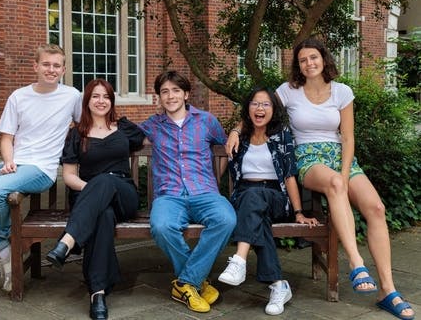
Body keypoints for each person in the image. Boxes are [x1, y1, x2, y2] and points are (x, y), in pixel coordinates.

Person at [227, 38, 414, 320]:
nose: (309, 63)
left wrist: (345, 169)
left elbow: (348, 137)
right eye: (302, 60)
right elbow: (259, 108)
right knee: (336, 185)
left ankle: (387, 290)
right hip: (308, 157)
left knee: (377, 209)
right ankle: (356, 262)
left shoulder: (342, 92)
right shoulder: (288, 91)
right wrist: (235, 129)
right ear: (298, 66)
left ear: (324, 59)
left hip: (340, 156)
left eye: (313, 57)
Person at [0, 44, 81, 292]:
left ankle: (7, 243)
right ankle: (4, 248)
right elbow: (6, 137)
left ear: (64, 69)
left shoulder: (72, 96)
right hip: (14, 163)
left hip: (41, 170)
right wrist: (9, 160)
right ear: (35, 66)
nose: (51, 69)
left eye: (56, 65)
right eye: (46, 64)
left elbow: (82, 125)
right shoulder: (19, 96)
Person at [45, 79, 145, 320]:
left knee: (105, 181)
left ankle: (68, 242)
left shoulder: (123, 128)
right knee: (103, 215)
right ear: (87, 101)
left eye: (106, 97)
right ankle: (97, 294)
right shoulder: (76, 134)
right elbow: (69, 176)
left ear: (111, 101)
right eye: (95, 96)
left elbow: (147, 138)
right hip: (91, 199)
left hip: (124, 195)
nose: (101, 101)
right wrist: (95, 191)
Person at [138, 70, 237, 313]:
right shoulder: (152, 125)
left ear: (186, 94)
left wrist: (216, 178)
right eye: (164, 92)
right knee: (161, 226)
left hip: (204, 192)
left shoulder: (206, 121)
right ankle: (196, 282)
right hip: (169, 195)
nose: (170, 96)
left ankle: (184, 283)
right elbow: (119, 133)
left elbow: (225, 145)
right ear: (159, 97)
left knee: (226, 219)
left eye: (175, 90)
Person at [217, 87, 318, 316]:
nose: (259, 108)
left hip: (275, 196)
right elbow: (225, 163)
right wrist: (234, 130)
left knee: (255, 198)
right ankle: (279, 285)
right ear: (247, 108)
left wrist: (298, 211)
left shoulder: (281, 134)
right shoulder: (240, 136)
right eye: (254, 103)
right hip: (244, 196)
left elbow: (289, 175)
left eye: (265, 104)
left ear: (274, 110)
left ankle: (239, 260)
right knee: (256, 214)